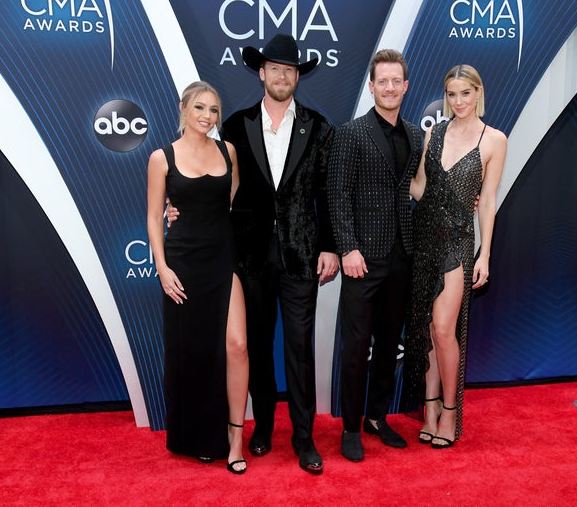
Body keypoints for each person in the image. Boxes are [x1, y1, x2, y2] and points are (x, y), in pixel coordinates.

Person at [167, 34, 338, 475]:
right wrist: (178, 210)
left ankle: (303, 438)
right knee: (257, 347)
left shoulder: (319, 127)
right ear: (261, 72)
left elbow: (327, 193)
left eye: (290, 69)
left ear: (298, 75)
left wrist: (331, 246)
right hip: (247, 257)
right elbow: (219, 184)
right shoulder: (236, 125)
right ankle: (261, 428)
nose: (282, 75)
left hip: (302, 255)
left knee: (299, 349)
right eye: (274, 68)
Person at [147, 81, 249, 474]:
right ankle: (200, 437)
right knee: (194, 354)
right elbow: (155, 216)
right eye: (200, 108)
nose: (207, 116)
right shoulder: (162, 157)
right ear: (183, 108)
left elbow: (232, 204)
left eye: (213, 110)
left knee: (237, 346)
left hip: (224, 259)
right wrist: (162, 267)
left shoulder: (229, 152)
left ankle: (235, 436)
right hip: (183, 264)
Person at [402, 64, 507, 449]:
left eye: (465, 93)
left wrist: (486, 253)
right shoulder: (435, 133)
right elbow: (420, 189)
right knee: (428, 332)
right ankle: (427, 411)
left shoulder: (494, 139)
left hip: (458, 244)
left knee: (445, 329)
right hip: (424, 237)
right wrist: (392, 176)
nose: (458, 101)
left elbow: (488, 201)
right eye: (452, 94)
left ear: (478, 92)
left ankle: (449, 412)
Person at [328, 49, 423, 462]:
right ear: (371, 86)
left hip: (403, 253)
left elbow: (417, 189)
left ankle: (376, 416)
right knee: (356, 344)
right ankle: (350, 426)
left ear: (405, 86)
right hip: (362, 257)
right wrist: (347, 246)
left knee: (389, 342)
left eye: (395, 81)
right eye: (381, 81)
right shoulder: (350, 133)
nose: (388, 88)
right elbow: (337, 194)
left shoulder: (417, 135)